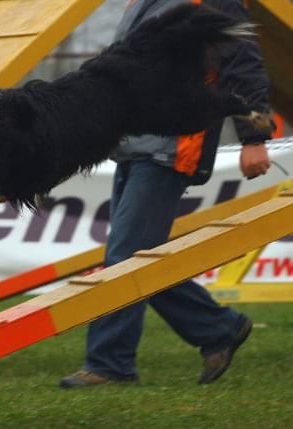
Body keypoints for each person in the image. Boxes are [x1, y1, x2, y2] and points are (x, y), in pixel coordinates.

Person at [61, 0, 273, 388]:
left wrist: (255, 136)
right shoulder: (139, 3)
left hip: (172, 146)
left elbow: (242, 61)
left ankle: (109, 364)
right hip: (132, 144)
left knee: (127, 260)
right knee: (136, 257)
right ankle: (217, 329)